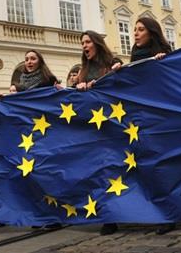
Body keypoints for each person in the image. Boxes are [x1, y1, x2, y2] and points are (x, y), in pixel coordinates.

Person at [130, 17, 175, 235]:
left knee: (162, 167)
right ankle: (158, 211)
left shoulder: (164, 55)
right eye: (134, 30)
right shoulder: (133, 57)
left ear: (152, 33)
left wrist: (162, 63)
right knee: (147, 167)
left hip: (161, 120)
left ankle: (168, 213)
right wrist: (120, 71)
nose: (135, 33)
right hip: (140, 121)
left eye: (140, 30)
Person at [75, 31, 121, 236]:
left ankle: (120, 212)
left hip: (113, 128)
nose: (84, 46)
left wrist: (109, 76)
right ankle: (108, 216)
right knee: (99, 175)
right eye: (82, 43)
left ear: (97, 44)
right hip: (91, 131)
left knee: (115, 172)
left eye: (87, 41)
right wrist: (78, 87)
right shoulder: (82, 72)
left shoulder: (112, 63)